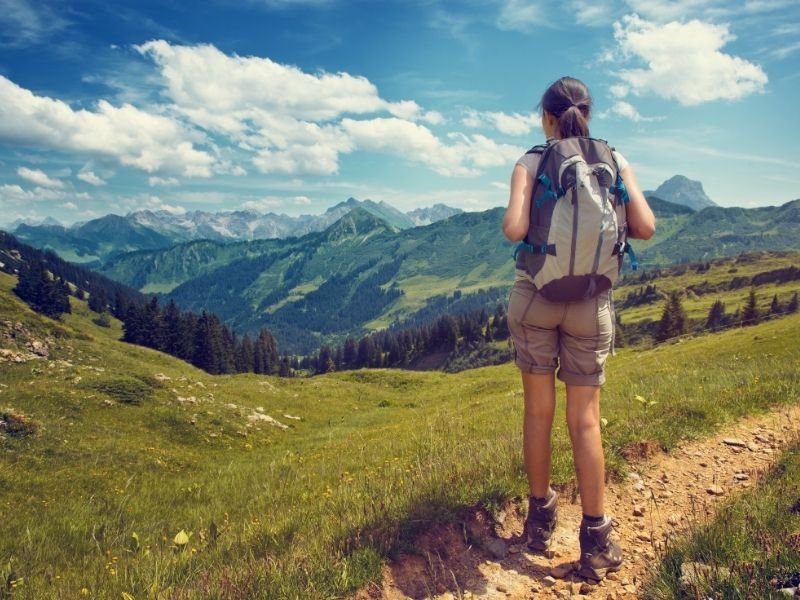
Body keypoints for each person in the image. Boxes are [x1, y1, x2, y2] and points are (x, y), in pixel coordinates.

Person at [501, 76, 656, 581]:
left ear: (546, 117)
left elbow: (514, 230)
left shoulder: (531, 160)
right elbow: (647, 227)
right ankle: (596, 540)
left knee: (538, 413)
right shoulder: (614, 158)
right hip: (592, 302)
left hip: (537, 299)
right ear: (588, 114)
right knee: (585, 421)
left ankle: (540, 522)